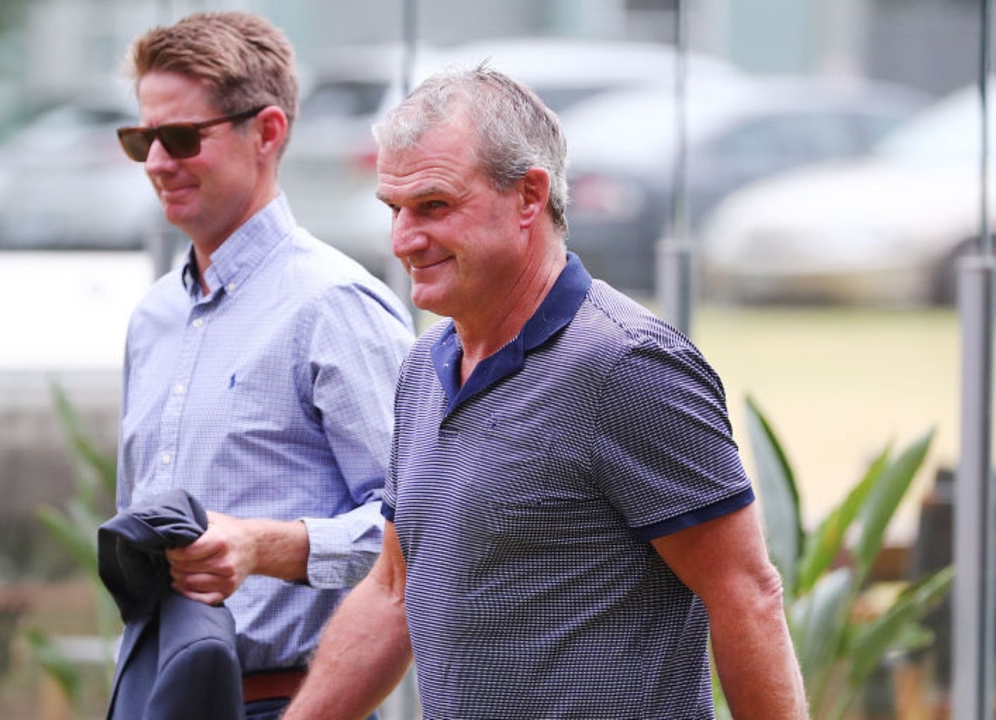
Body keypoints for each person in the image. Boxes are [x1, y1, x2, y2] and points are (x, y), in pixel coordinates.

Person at [283, 66, 808, 720]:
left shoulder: (628, 365)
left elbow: (747, 596)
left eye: (435, 206)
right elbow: (394, 589)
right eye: (395, 210)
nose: (403, 240)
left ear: (530, 196)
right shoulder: (425, 365)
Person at [111, 11, 416, 720]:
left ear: (268, 132)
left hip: (288, 700)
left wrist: (264, 547)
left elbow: (421, 531)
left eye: (182, 136)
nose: (158, 161)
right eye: (141, 139)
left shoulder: (336, 307)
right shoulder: (152, 320)